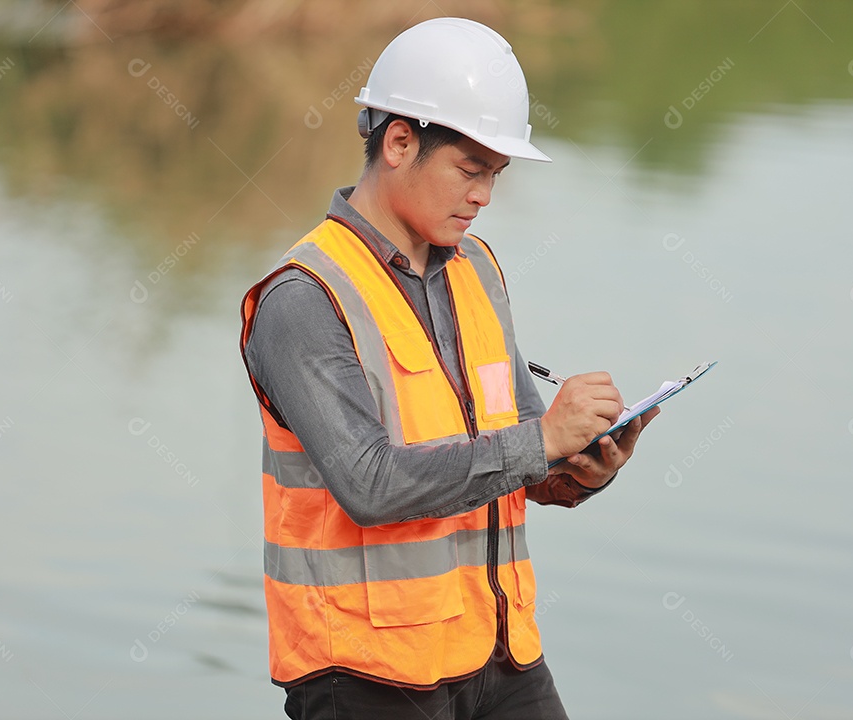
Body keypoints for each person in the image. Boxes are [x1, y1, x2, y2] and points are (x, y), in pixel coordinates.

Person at [239, 17, 659, 720]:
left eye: (495, 175)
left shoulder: (480, 273)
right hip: (365, 677)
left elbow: (521, 452)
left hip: (498, 655)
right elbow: (370, 484)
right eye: (470, 170)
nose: (484, 196)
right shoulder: (304, 299)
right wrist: (541, 441)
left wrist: (583, 467)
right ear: (400, 141)